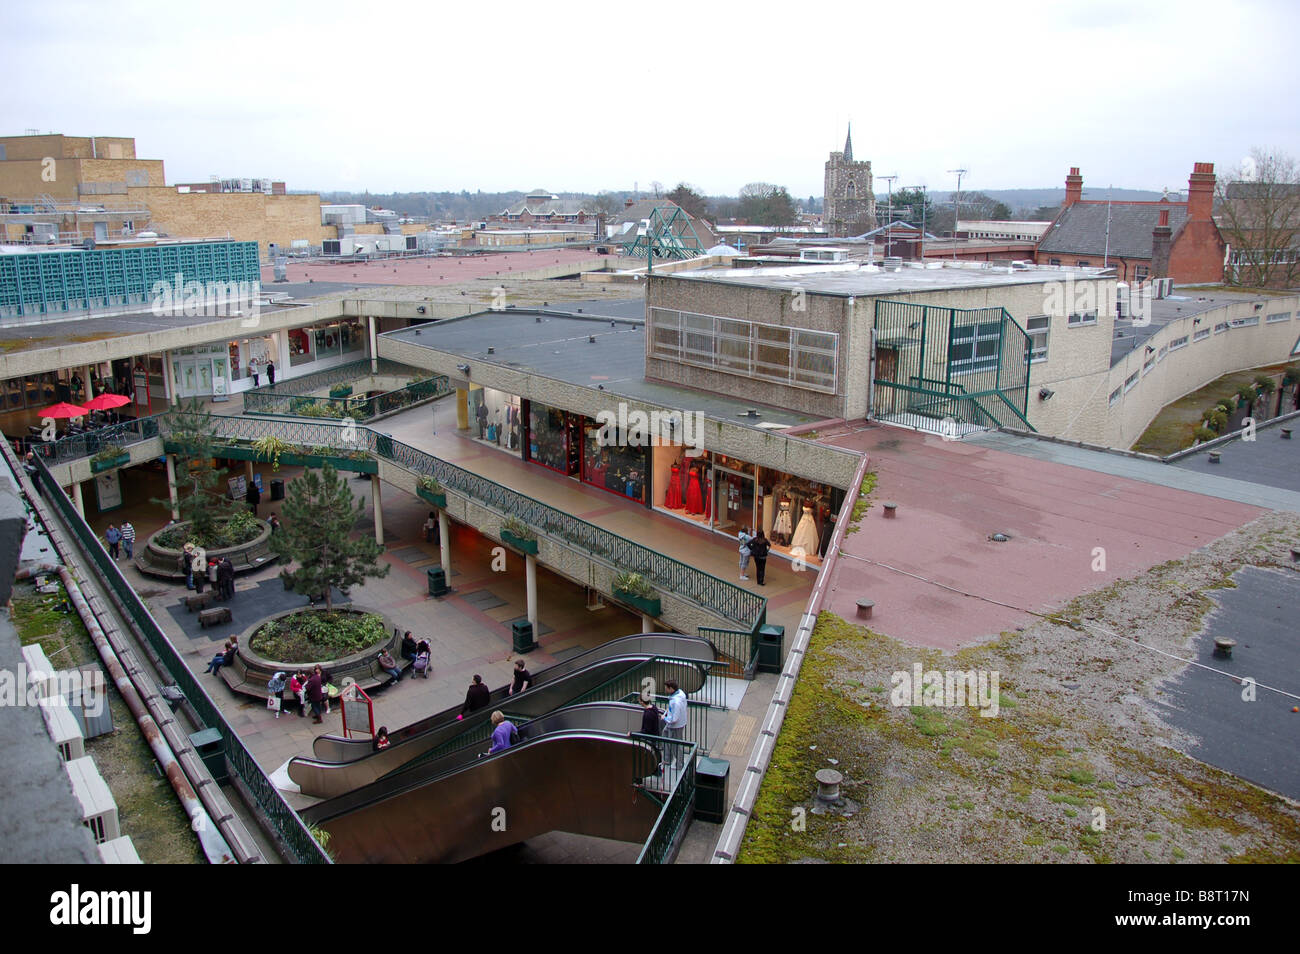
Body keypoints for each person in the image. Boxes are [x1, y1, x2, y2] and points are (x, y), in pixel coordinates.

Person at [660, 679, 689, 770]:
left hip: (675, 726)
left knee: (676, 746)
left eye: (666, 688)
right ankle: (667, 759)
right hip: (677, 724)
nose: (665, 689)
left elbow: (674, 719)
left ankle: (679, 765)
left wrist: (664, 718)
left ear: (671, 688)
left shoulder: (676, 701)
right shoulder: (679, 694)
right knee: (665, 735)